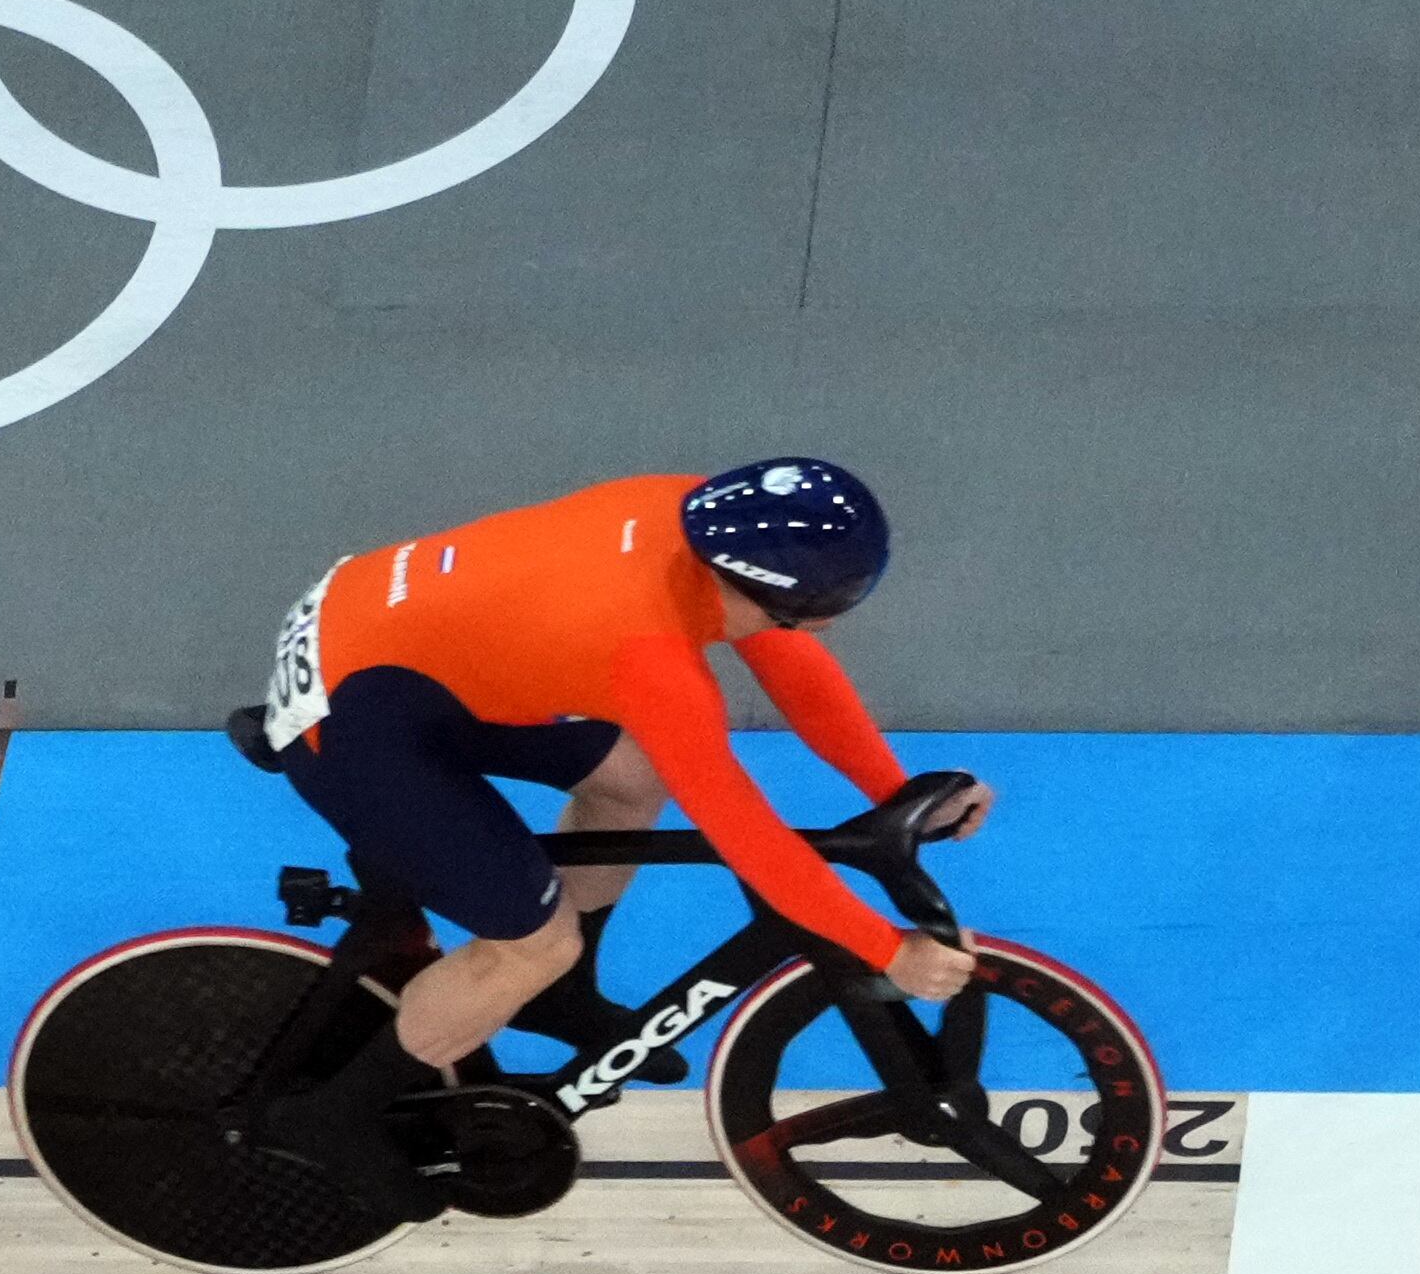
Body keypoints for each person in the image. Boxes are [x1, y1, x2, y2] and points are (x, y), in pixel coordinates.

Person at [255, 460, 989, 1093]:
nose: (829, 623)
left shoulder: (697, 511)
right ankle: (346, 1116)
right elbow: (746, 835)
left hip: (387, 638)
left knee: (631, 778)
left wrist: (896, 793)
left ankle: (560, 997)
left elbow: (790, 661)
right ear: (762, 589)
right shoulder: (651, 663)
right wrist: (888, 950)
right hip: (353, 716)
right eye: (823, 606)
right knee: (533, 944)